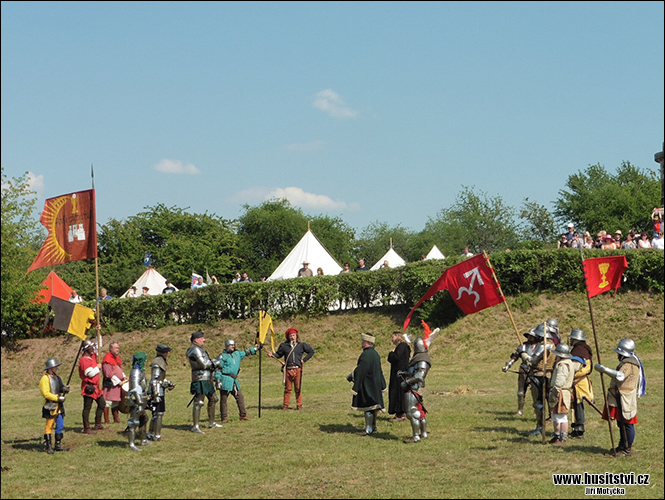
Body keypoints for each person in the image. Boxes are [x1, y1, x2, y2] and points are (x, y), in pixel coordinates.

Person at [595, 339, 646, 457]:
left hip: (625, 397)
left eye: (619, 353)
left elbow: (619, 376)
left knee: (627, 423)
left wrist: (604, 369)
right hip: (620, 396)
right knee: (621, 423)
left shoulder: (629, 364)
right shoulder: (628, 362)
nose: (617, 355)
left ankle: (627, 449)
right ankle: (622, 445)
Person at [400, 323, 438, 443]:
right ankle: (424, 433)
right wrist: (405, 373)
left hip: (414, 387)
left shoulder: (422, 359)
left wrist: (406, 382)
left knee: (412, 411)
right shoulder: (419, 358)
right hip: (416, 387)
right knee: (418, 410)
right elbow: (413, 372)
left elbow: (419, 376)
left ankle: (416, 436)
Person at [347, 333, 386, 436]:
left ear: (366, 342)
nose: (362, 343)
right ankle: (373, 426)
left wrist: (352, 376)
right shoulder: (375, 354)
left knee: (368, 407)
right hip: (375, 382)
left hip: (368, 383)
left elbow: (361, 369)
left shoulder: (366, 355)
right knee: (373, 407)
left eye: (363, 342)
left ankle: (368, 428)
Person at [268, 327, 316, 410]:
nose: (292, 337)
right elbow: (279, 355)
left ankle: (299, 405)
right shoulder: (284, 346)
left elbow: (311, 351)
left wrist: (304, 360)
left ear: (296, 336)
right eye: (290, 335)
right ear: (288, 337)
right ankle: (285, 405)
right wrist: (272, 355)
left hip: (298, 369)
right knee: (287, 389)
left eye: (293, 335)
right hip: (288, 369)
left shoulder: (302, 345)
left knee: (298, 388)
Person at [214, 339, 259, 422]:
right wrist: (218, 380)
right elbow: (217, 369)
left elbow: (246, 352)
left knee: (240, 397)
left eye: (233, 345)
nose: (233, 346)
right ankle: (224, 417)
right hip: (225, 379)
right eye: (231, 345)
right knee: (224, 400)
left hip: (234, 380)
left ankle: (243, 415)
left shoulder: (237, 354)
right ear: (227, 346)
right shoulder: (222, 356)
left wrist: (256, 348)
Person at [186, 331, 222, 433]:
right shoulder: (194, 350)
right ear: (196, 339)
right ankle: (195, 426)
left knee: (214, 399)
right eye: (202, 338)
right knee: (199, 402)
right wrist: (217, 361)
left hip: (208, 378)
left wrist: (214, 363)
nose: (204, 340)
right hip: (200, 378)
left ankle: (212, 422)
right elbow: (204, 364)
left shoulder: (200, 349)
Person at [502, 329, 539, 416]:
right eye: (529, 336)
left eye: (532, 336)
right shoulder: (523, 346)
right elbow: (515, 356)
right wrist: (508, 365)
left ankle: (536, 410)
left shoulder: (539, 347)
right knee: (520, 392)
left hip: (534, 370)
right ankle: (520, 410)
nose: (530, 337)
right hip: (523, 370)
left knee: (535, 392)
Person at [40, 358, 70, 454]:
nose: (57, 368)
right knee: (49, 425)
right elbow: (46, 393)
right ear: (51, 367)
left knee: (60, 424)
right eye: (55, 366)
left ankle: (58, 445)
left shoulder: (57, 377)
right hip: (50, 405)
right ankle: (48, 446)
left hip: (59, 405)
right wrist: (57, 398)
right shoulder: (45, 379)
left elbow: (60, 388)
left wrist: (65, 389)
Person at [568, 328, 594, 438]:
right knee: (575, 404)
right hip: (578, 381)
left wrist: (569, 375)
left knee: (578, 404)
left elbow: (580, 368)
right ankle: (576, 427)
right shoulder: (581, 349)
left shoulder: (579, 351)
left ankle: (579, 428)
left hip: (579, 382)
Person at [547, 343, 575, 446]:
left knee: (560, 417)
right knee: (556, 416)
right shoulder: (568, 363)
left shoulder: (563, 365)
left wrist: (555, 392)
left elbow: (560, 381)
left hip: (560, 392)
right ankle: (556, 436)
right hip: (562, 391)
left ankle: (561, 438)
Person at [147, 344, 175, 442]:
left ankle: (151, 433)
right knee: (158, 413)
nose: (167, 354)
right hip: (157, 391)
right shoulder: (157, 363)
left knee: (156, 413)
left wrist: (168, 383)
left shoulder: (161, 361)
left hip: (159, 389)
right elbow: (154, 380)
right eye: (165, 352)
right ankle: (156, 435)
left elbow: (160, 378)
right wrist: (156, 395)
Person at [78, 339, 106, 434]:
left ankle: (97, 423)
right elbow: (89, 373)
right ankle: (86, 428)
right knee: (87, 408)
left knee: (102, 404)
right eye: (90, 348)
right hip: (89, 387)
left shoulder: (93, 356)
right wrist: (98, 368)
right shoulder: (83, 360)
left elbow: (99, 346)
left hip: (96, 387)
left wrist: (98, 332)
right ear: (86, 350)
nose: (92, 349)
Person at [126, 352, 151, 451]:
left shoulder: (140, 371)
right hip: (135, 400)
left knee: (144, 419)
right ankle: (131, 444)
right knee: (134, 422)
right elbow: (135, 388)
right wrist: (140, 401)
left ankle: (143, 440)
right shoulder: (135, 372)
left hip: (140, 399)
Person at [102, 341, 128, 424]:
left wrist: (124, 377)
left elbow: (119, 369)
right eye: (116, 348)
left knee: (115, 402)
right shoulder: (107, 359)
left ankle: (116, 419)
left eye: (118, 348)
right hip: (111, 384)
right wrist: (118, 382)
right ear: (111, 348)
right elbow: (108, 373)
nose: (118, 349)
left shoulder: (116, 358)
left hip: (117, 385)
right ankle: (106, 420)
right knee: (108, 402)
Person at [387, 331, 410, 422]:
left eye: (393, 337)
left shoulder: (402, 346)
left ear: (397, 337)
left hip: (399, 374)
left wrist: (391, 353)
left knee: (398, 393)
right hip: (401, 373)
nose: (392, 339)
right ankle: (401, 412)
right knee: (400, 393)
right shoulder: (404, 347)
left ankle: (399, 414)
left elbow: (396, 358)